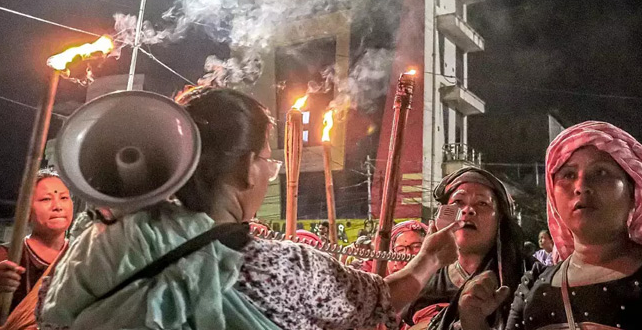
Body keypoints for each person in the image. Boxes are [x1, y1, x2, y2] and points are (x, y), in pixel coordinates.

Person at [38, 87, 461, 330]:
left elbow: (48, 316)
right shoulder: (283, 268)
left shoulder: (95, 248)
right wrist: (429, 259)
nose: (268, 173)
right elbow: (379, 301)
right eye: (267, 161)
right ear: (245, 168)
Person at [457, 121, 642, 330]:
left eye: (601, 172)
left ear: (633, 193)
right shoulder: (535, 284)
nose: (581, 186)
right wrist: (474, 322)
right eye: (568, 175)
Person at [403, 167, 526, 330]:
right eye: (458, 202)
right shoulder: (421, 280)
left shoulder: (528, 277)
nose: (468, 210)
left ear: (500, 219)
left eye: (482, 203)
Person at [0, 169, 73, 327]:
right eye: (46, 199)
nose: (58, 206)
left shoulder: (80, 255)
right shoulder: (5, 256)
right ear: (27, 211)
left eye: (64, 198)